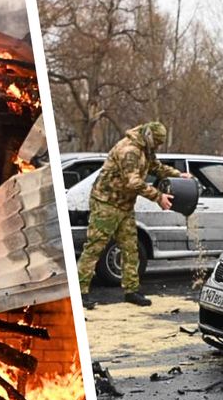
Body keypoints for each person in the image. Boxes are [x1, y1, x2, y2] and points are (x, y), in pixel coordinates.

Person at [75, 121, 190, 308]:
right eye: (157, 143)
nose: (157, 147)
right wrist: (158, 197)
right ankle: (80, 291)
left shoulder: (146, 148)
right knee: (95, 248)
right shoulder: (129, 151)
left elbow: (156, 167)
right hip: (106, 203)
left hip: (125, 205)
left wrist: (178, 174)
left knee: (130, 247)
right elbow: (133, 182)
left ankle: (131, 291)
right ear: (149, 136)